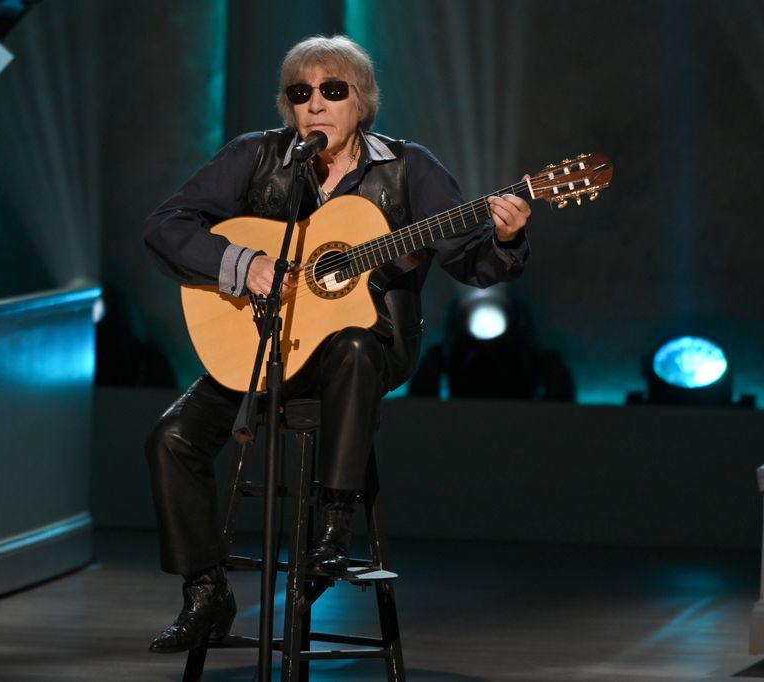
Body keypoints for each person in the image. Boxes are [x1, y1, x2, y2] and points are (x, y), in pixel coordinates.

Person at [142, 34, 531, 654]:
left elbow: (472, 261)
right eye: (301, 93)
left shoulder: (409, 168)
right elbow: (167, 225)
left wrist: (505, 240)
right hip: (272, 349)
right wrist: (244, 263)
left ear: (362, 102)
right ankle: (206, 593)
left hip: (368, 350)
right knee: (171, 437)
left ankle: (330, 531)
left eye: (332, 90)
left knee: (351, 342)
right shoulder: (258, 157)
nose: (316, 103)